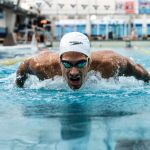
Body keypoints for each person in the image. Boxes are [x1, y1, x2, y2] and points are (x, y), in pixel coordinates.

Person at [16, 32, 150, 90]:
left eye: (80, 63)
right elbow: (23, 67)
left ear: (89, 61)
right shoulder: (42, 66)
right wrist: (19, 87)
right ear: (59, 61)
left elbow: (140, 72)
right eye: (67, 64)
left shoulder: (109, 64)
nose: (74, 72)